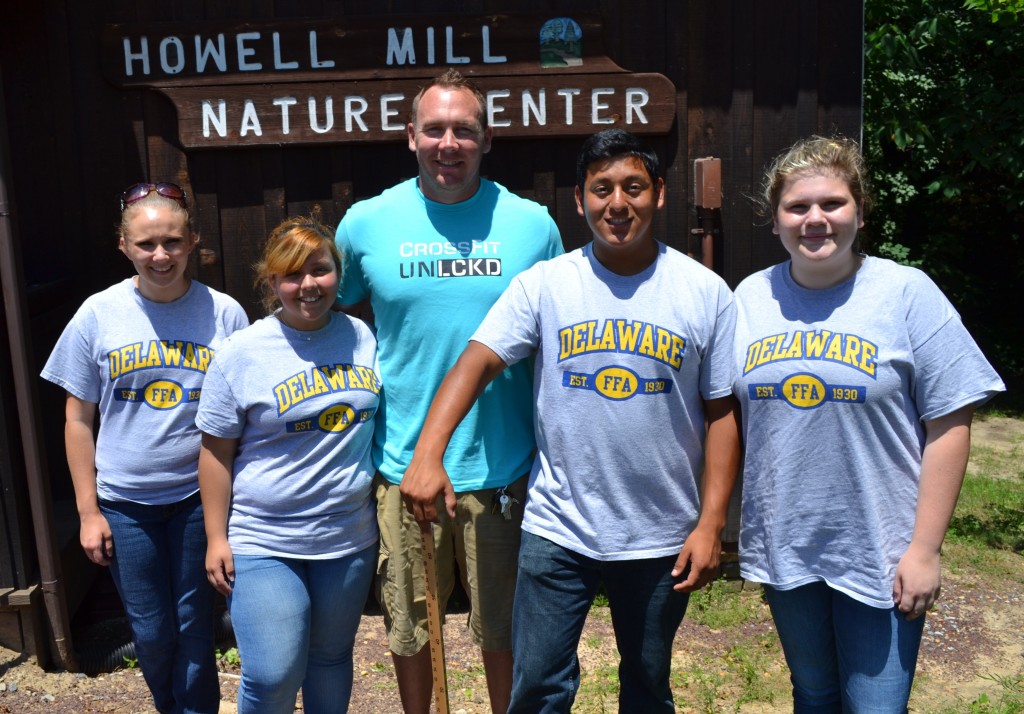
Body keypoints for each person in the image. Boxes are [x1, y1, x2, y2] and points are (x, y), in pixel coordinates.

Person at [402, 128, 741, 713]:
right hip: (559, 528)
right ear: (580, 200)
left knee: (647, 686)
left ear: (658, 193)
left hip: (660, 534)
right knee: (537, 689)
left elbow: (722, 413)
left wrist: (711, 523)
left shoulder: (704, 292)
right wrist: (428, 454)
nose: (617, 203)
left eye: (633, 187)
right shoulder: (546, 285)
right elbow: (476, 362)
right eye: (601, 188)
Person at [733, 135, 1006, 712]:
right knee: (813, 696)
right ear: (775, 220)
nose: (815, 219)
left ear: (859, 209)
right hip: (788, 544)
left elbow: (951, 421)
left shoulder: (906, 293)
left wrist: (925, 549)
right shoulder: (749, 299)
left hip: (880, 549)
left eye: (831, 203)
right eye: (797, 207)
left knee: (876, 707)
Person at [334, 68, 563, 713]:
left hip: (502, 466)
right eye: (434, 129)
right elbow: (341, 316)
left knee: (503, 628)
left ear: (487, 140)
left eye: (464, 129)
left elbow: (551, 330)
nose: (449, 143)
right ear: (411, 137)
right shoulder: (366, 223)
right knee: (409, 629)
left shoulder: (530, 225)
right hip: (404, 464)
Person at [40, 182, 248, 714]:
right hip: (124, 502)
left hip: (195, 501)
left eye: (173, 242)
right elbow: (77, 419)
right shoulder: (97, 314)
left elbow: (243, 418)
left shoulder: (224, 314)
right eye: (146, 244)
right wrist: (88, 511)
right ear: (124, 247)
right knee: (152, 632)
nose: (161, 255)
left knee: (195, 626)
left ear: (193, 241)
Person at [196, 213, 379, 714]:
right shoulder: (241, 352)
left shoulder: (362, 337)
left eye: (319, 270)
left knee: (329, 658)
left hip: (348, 537)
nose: (308, 285)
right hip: (265, 537)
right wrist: (217, 537)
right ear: (272, 280)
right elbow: (215, 452)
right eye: (293, 275)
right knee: (273, 671)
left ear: (337, 273)